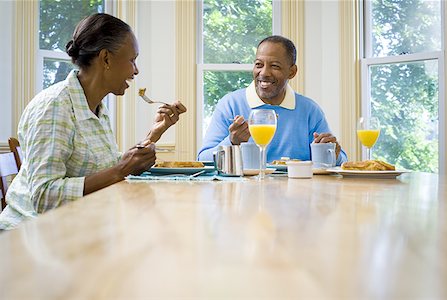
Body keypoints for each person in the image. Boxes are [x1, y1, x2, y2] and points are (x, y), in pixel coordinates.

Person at [0, 13, 186, 230]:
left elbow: (105, 167)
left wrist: (153, 135)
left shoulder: (96, 107)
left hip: (77, 227)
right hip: (31, 236)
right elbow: (44, 196)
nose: (136, 70)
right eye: (132, 60)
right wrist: (122, 170)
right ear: (106, 58)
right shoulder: (54, 108)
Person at [198, 35, 347, 164]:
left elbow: (341, 160)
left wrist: (333, 153)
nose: (264, 73)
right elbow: (203, 159)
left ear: (292, 72)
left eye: (274, 66)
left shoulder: (309, 110)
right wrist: (231, 142)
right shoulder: (230, 104)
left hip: (297, 192)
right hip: (242, 193)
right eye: (259, 65)